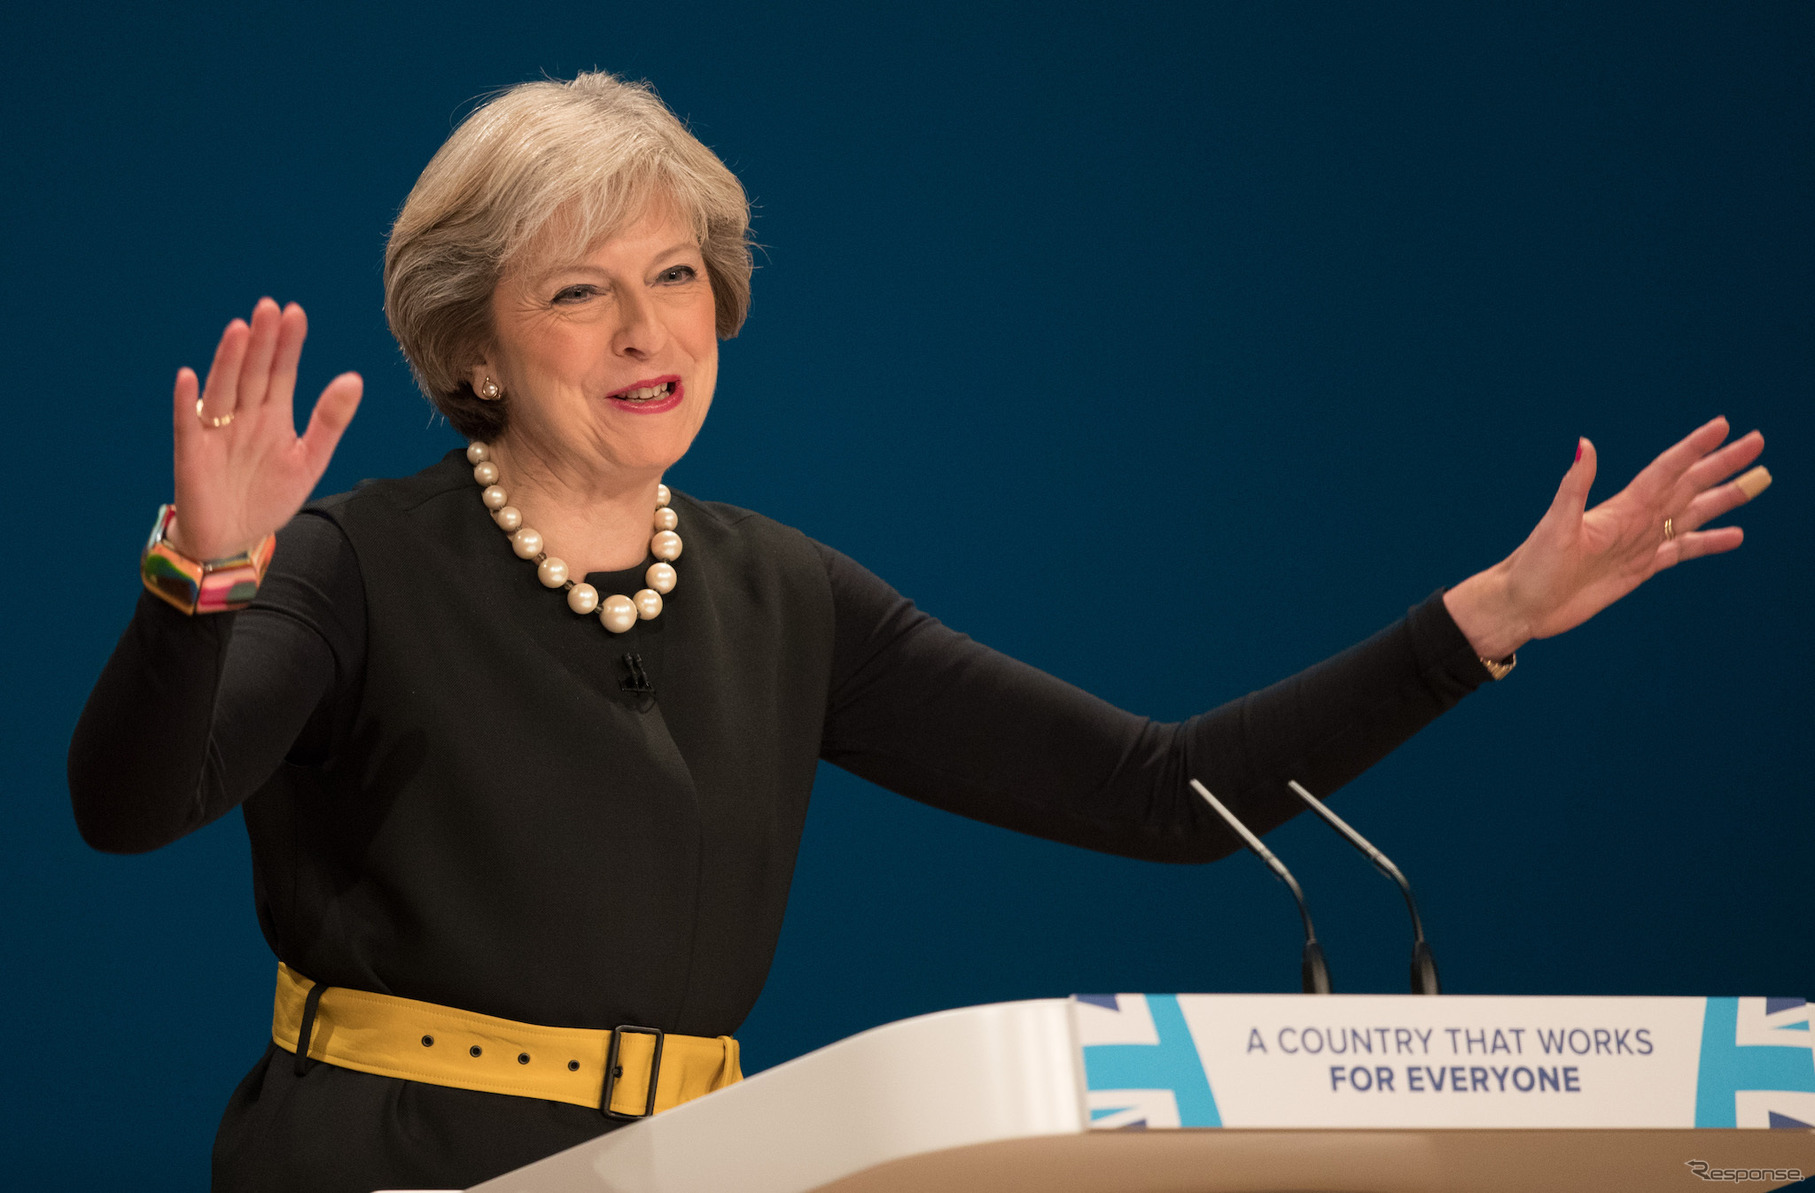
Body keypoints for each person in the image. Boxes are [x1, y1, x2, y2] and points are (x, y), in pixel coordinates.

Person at [67, 71, 1771, 1193]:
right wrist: (198, 577)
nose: (649, 327)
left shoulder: (785, 590)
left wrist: (1487, 622)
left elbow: (1167, 798)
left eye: (676, 275)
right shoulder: (356, 562)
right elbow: (130, 805)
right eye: (579, 289)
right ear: (477, 345)